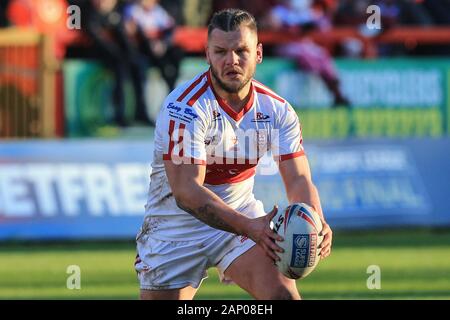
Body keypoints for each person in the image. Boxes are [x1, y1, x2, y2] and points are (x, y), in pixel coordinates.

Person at [135, 8, 332, 300]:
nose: (232, 61)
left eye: (241, 50)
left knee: (284, 297)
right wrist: (251, 227)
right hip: (175, 226)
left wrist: (315, 219)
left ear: (258, 53)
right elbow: (187, 192)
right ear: (207, 54)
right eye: (221, 51)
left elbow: (299, 178)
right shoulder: (185, 109)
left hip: (241, 221)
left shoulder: (277, 111)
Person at [82, 0, 154, 127]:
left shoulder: (118, 12)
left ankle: (141, 112)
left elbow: (123, 36)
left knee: (138, 66)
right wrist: (117, 54)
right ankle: (119, 114)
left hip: (121, 54)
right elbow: (97, 38)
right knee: (119, 70)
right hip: (103, 55)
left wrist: (131, 55)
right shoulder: (89, 12)